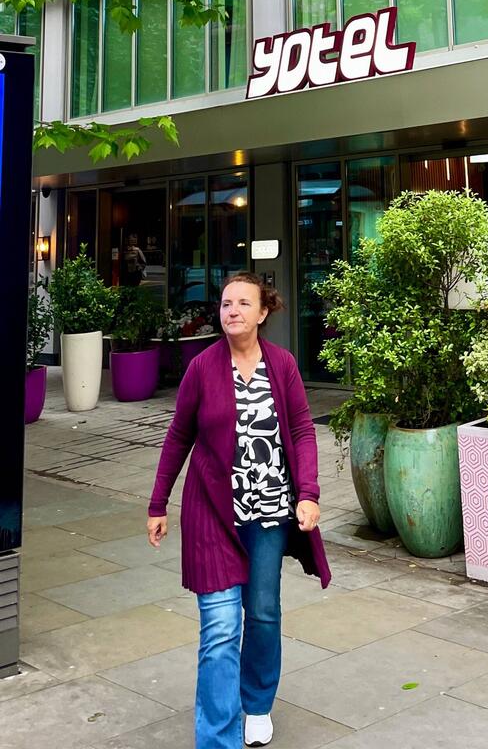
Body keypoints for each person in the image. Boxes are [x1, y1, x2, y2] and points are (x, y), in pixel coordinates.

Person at [147, 272, 327, 748]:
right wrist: (158, 502)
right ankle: (217, 738)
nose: (232, 311)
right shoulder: (201, 368)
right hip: (212, 514)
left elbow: (303, 430)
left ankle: (257, 703)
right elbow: (178, 436)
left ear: (263, 312)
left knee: (263, 612)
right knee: (221, 628)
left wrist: (308, 493)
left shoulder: (282, 365)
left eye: (244, 303)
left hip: (269, 513)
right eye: (226, 303)